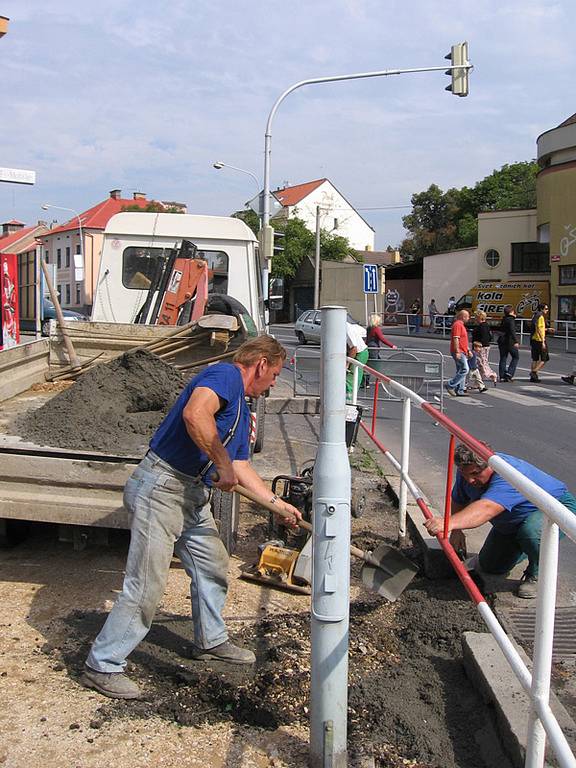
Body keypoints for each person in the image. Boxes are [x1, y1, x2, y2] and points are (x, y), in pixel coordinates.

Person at [81, 336, 302, 699]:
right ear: (261, 364)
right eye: (275, 374)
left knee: (213, 564)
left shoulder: (243, 410)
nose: (275, 382)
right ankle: (102, 665)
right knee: (146, 584)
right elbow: (194, 414)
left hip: (191, 495)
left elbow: (241, 466)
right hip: (162, 487)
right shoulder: (225, 376)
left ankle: (210, 640)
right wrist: (221, 461)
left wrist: (276, 504)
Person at [424, 444, 576, 599]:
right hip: (512, 521)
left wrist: (447, 523)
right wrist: (456, 531)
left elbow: (486, 508)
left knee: (531, 532)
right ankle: (526, 545)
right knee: (491, 566)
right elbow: (458, 498)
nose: (470, 480)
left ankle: (538, 574)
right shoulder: (466, 471)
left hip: (556, 510)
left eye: (476, 474)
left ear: (489, 466)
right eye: (465, 475)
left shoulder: (507, 473)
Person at [364, 313, 397, 386]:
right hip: (374, 348)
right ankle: (366, 382)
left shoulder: (369, 328)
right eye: (379, 320)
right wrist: (392, 345)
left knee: (376, 363)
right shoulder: (376, 329)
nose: (380, 322)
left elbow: (367, 339)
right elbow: (382, 339)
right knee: (372, 364)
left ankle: (376, 378)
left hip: (370, 347)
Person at [445, 309, 472, 397]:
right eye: (467, 316)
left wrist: (468, 350)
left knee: (460, 370)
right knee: (465, 369)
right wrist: (457, 351)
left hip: (462, 351)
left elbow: (463, 340)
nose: (469, 318)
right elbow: (456, 338)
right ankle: (450, 385)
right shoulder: (457, 325)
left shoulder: (461, 325)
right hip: (459, 351)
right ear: (463, 317)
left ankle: (460, 390)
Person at [471, 310, 497, 386]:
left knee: (482, 364)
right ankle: (478, 382)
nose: (475, 319)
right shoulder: (484, 326)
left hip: (481, 347)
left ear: (480, 317)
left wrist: (479, 346)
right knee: (480, 364)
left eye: (476, 317)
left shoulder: (483, 326)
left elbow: (485, 338)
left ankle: (492, 374)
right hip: (481, 347)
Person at [346, 317, 369, 399]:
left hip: (359, 353)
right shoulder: (347, 326)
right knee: (349, 377)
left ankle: (349, 400)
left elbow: (354, 348)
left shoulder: (346, 329)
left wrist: (347, 364)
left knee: (351, 378)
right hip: (357, 352)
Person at [497, 304, 519, 382]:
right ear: (512, 312)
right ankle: (509, 373)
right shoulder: (511, 320)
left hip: (501, 341)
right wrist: (516, 341)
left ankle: (502, 376)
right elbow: (512, 331)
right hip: (509, 341)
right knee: (515, 357)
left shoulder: (504, 319)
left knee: (503, 358)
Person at [529, 303, 550, 383]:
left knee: (535, 359)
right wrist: (543, 341)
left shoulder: (535, 315)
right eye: (546, 309)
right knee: (545, 359)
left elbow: (537, 327)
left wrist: (547, 329)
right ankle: (534, 372)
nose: (547, 310)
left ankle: (533, 378)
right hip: (539, 340)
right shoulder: (540, 317)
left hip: (533, 339)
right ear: (541, 309)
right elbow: (539, 329)